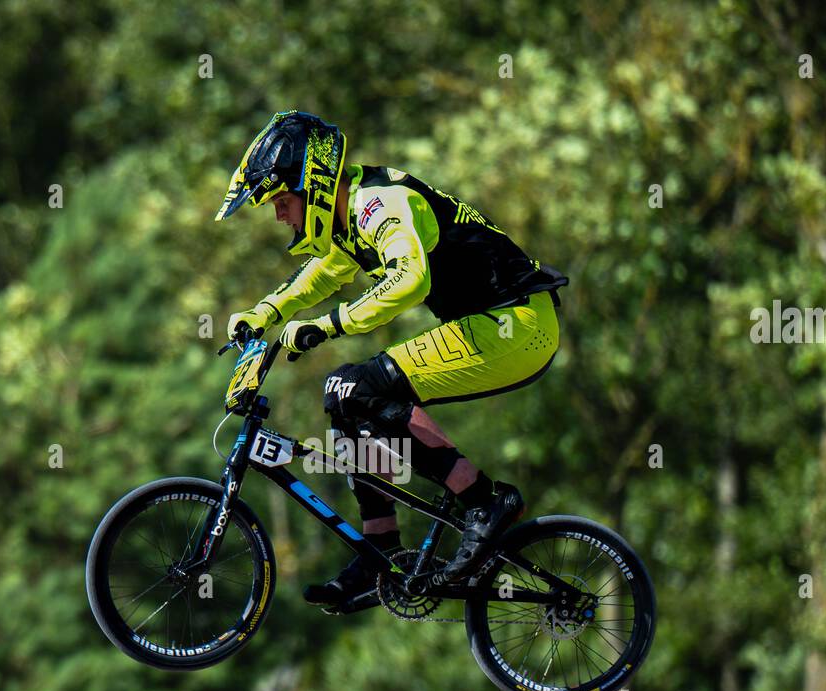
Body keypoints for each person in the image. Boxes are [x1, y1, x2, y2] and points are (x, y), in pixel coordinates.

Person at [216, 110, 568, 613]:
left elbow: (410, 280)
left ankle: (485, 501)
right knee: (343, 400)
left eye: (281, 201)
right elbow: (324, 274)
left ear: (311, 185)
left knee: (353, 386)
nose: (278, 215)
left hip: (516, 325)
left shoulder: (380, 204)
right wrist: (265, 312)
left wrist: (327, 326)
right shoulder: (350, 215)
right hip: (491, 325)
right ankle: (379, 549)